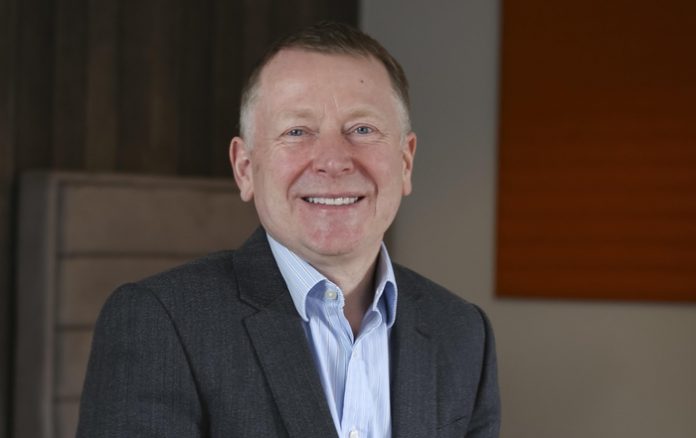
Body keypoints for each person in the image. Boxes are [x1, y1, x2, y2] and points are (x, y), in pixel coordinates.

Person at [77, 21, 500, 438]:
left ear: (405, 163)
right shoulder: (161, 322)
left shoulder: (462, 333)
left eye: (362, 130)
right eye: (297, 131)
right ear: (245, 168)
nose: (333, 160)